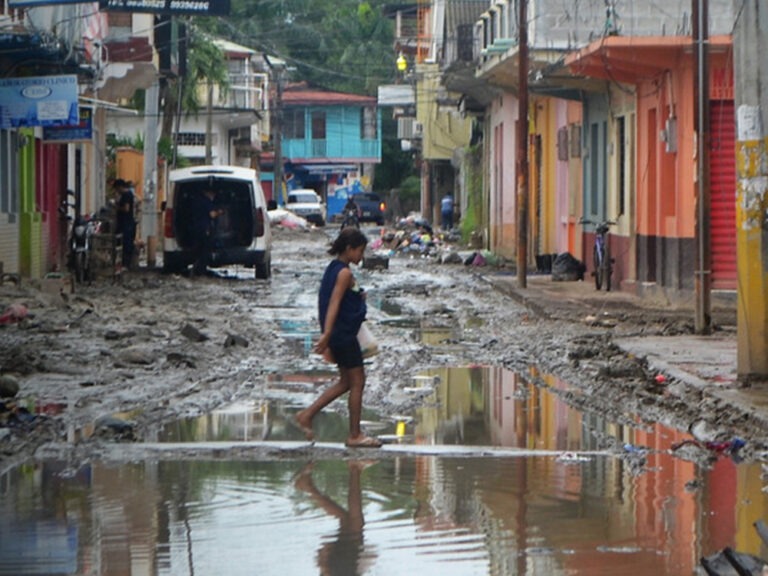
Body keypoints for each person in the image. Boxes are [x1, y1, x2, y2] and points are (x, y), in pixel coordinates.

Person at [295, 228, 382, 448]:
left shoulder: (333, 269)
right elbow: (333, 303)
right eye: (360, 251)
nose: (362, 256)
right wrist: (326, 334)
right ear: (349, 249)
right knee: (357, 381)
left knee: (345, 382)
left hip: (337, 333)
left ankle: (307, 415)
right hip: (342, 334)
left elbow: (332, 300)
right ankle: (354, 435)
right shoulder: (344, 273)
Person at [191, 188, 223, 276]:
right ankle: (200, 270)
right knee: (204, 250)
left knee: (198, 249)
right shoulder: (206, 201)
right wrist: (219, 212)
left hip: (195, 228)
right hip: (204, 229)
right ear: (209, 193)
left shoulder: (196, 201)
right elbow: (212, 214)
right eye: (213, 194)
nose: (214, 196)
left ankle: (196, 269)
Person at [114, 179, 136, 269]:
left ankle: (125, 264)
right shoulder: (129, 194)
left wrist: (117, 207)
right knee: (126, 243)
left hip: (126, 223)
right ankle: (126, 264)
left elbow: (126, 209)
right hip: (127, 222)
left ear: (120, 187)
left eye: (116, 189)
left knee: (125, 243)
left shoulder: (126, 195)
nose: (117, 191)